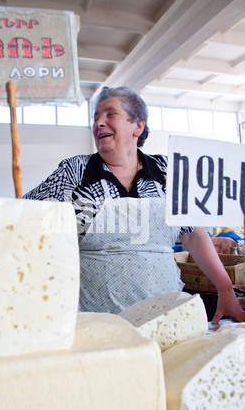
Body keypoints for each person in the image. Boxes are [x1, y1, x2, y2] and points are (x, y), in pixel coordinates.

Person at [23, 86, 245, 324]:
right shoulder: (75, 171)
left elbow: (193, 235)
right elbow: (26, 218)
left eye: (110, 114)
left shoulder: (166, 171)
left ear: (137, 126)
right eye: (96, 117)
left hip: (166, 315)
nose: (99, 123)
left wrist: (224, 288)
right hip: (97, 318)